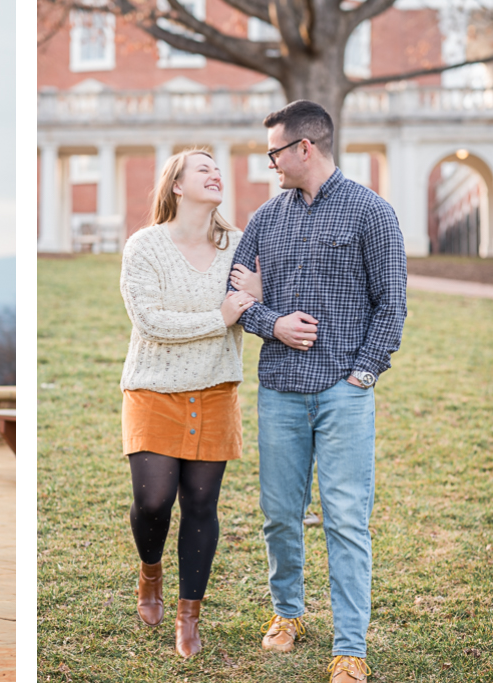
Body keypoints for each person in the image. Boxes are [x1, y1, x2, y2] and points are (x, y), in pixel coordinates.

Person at [228, 100, 406, 683]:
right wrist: (270, 322)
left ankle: (350, 647)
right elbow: (236, 297)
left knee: (346, 518)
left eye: (275, 152)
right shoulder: (265, 219)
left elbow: (393, 303)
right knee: (280, 515)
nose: (269, 163)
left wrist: (364, 372)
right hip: (278, 389)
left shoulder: (370, 212)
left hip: (343, 392)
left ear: (305, 148)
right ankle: (287, 614)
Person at [118, 149, 255, 658]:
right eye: (203, 168)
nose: (215, 172)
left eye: (217, 167)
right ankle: (149, 573)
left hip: (216, 389)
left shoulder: (238, 245)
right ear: (177, 185)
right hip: (153, 389)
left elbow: (250, 310)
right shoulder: (145, 246)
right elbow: (151, 322)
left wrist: (255, 299)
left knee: (201, 505)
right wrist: (219, 316)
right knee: (153, 502)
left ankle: (188, 616)